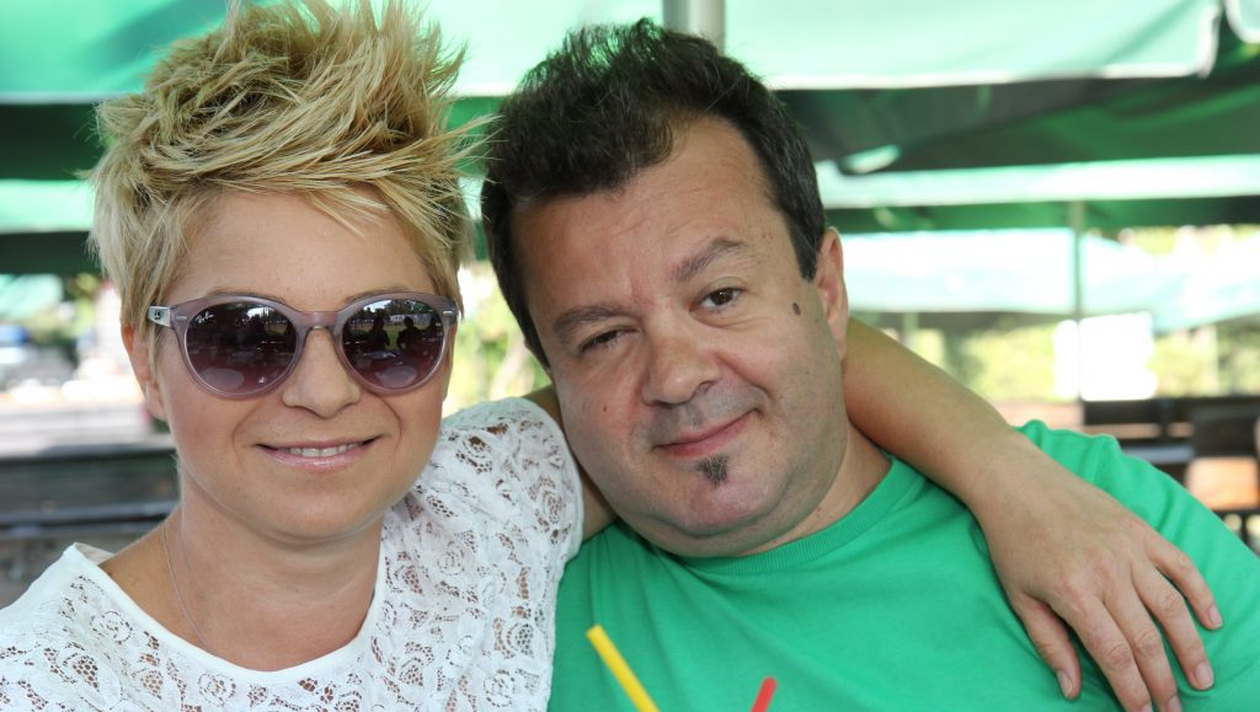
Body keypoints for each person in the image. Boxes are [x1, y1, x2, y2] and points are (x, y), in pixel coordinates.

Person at [0, 3, 1225, 710]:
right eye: (242, 337)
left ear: (448, 344)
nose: (322, 388)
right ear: (145, 356)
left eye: (386, 333)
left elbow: (761, 357)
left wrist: (1012, 477)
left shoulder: (490, 505)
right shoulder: (45, 681)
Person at [479, 20, 1260, 712]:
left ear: (825, 292)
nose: (676, 377)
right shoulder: (490, 612)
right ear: (549, 372)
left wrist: (998, 470)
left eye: (719, 296)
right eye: (604, 338)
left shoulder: (1087, 521)